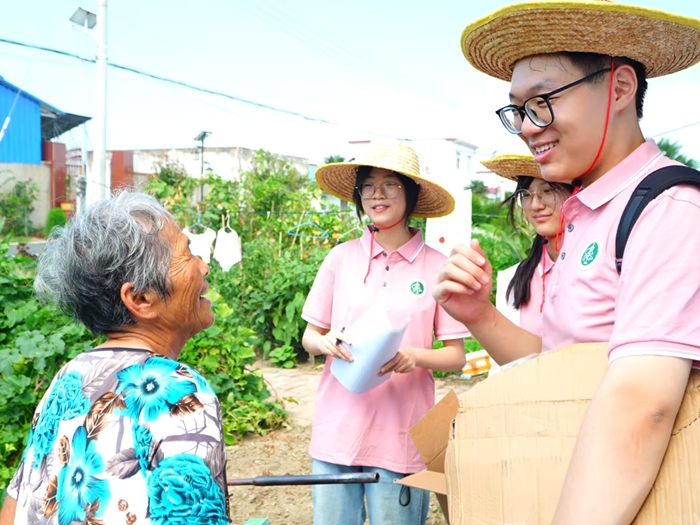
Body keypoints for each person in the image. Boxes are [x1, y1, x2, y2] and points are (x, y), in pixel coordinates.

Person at [435, 2, 700, 523]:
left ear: (619, 88)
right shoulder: (587, 214)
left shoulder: (670, 209)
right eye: (518, 110)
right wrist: (478, 314)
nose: (527, 127)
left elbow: (641, 406)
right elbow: (560, 365)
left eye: (543, 102)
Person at [0, 191, 230, 525]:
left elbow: (13, 507)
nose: (203, 267)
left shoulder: (70, 376)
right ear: (141, 298)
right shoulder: (177, 391)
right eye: (187, 254)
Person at [301, 139, 470, 525]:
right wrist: (324, 342)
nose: (378, 194)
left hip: (401, 438)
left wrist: (414, 357)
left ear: (411, 194)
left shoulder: (437, 267)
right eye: (369, 186)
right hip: (336, 434)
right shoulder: (340, 258)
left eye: (390, 184)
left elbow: (456, 356)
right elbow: (310, 336)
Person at [482, 154, 574, 336]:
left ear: (575, 193)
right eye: (525, 194)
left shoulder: (601, 268)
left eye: (548, 190)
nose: (535, 205)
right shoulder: (512, 280)